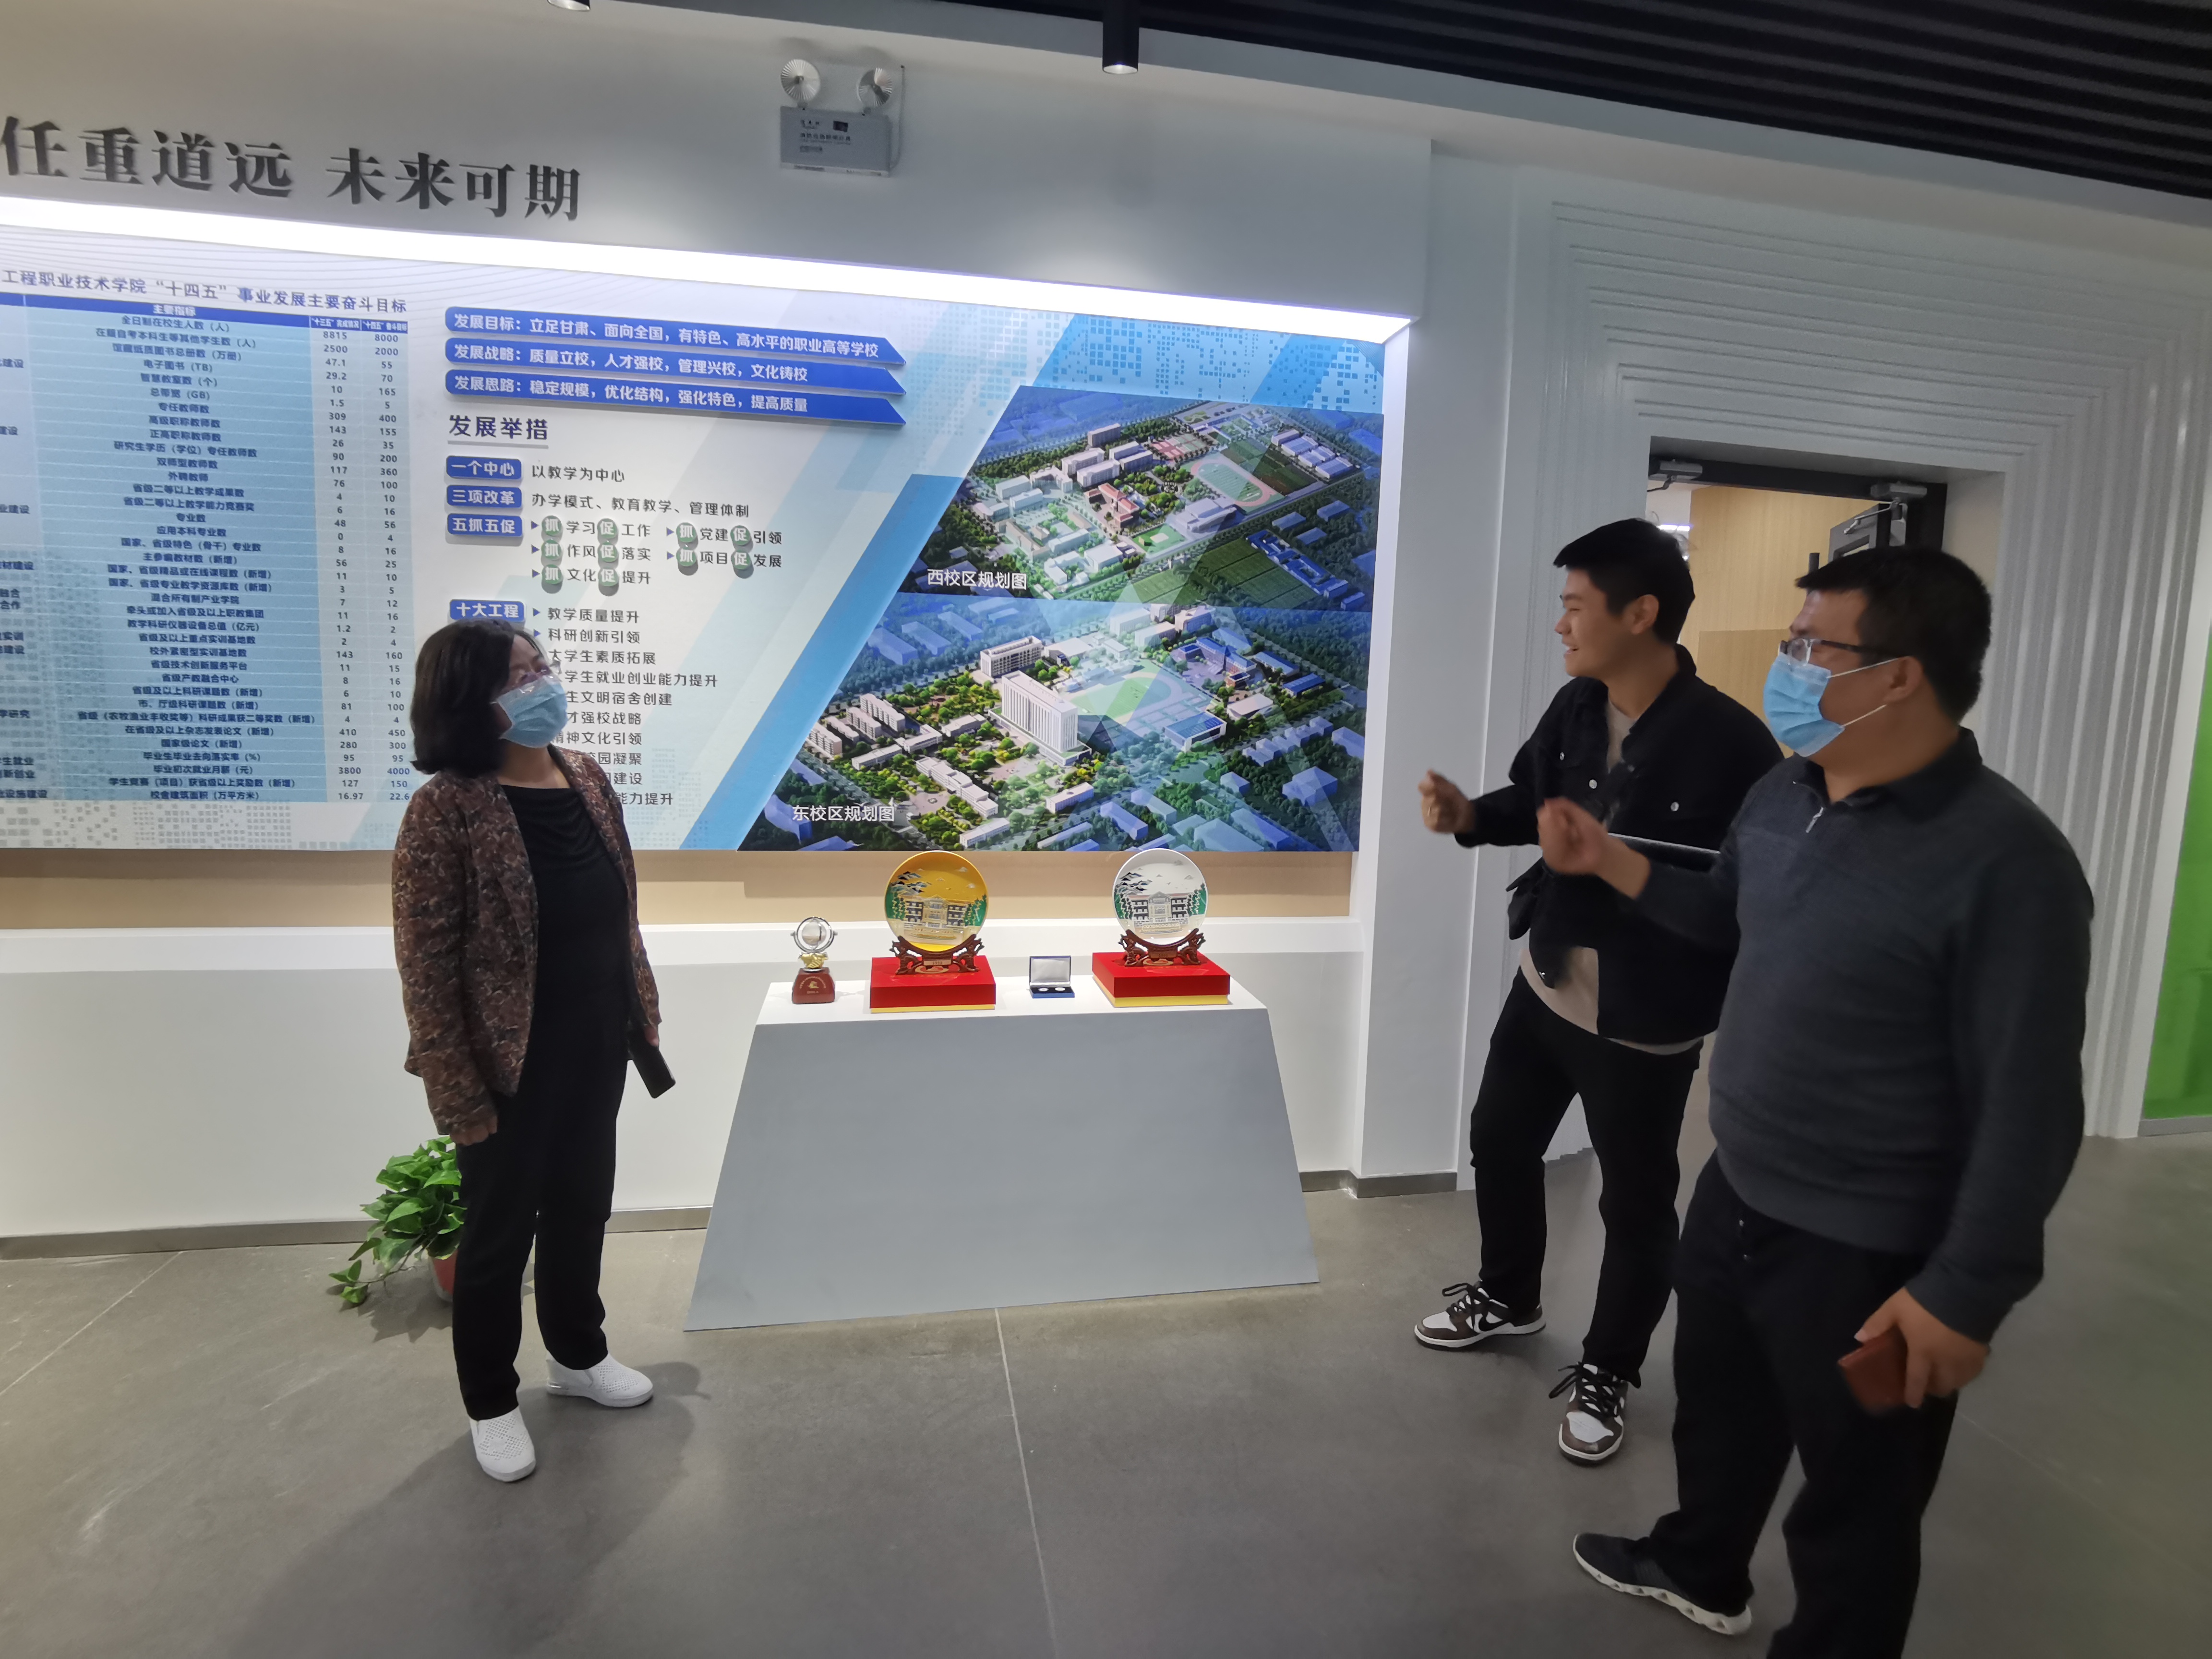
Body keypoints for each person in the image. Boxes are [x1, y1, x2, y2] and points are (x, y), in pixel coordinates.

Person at [1543, 548, 2091, 1654]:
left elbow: (2031, 1106)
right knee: (1720, 1414)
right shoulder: (1786, 792)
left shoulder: (2009, 863)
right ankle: (1701, 1566)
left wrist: (1965, 1293)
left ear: (1898, 675)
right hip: (1738, 1190)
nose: (1785, 665)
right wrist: (1611, 862)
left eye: (1810, 647)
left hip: (1868, 1247)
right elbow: (1726, 918)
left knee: (1859, 1495)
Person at [1415, 518, 1778, 1463]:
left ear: (1641, 613)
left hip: (1644, 1023)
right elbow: (1530, 806)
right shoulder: (1577, 706)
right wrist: (1469, 816)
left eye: (1576, 607)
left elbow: (1739, 908)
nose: (1562, 626)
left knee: (1635, 1203)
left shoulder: (1735, 746)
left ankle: (1610, 1368)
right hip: (1548, 984)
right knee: (1500, 1139)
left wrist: (1615, 862)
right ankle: (1510, 1296)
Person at [392, 619, 664, 1483]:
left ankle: (578, 1356)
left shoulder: (584, 776)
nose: (542, 683)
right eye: (518, 675)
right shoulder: (446, 809)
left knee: (584, 1206)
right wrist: (455, 1088)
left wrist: (642, 1007)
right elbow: (426, 965)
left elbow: (622, 909)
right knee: (499, 1234)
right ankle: (491, 1403)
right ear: (469, 699)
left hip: (597, 1038)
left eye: (542, 665)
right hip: (505, 1063)